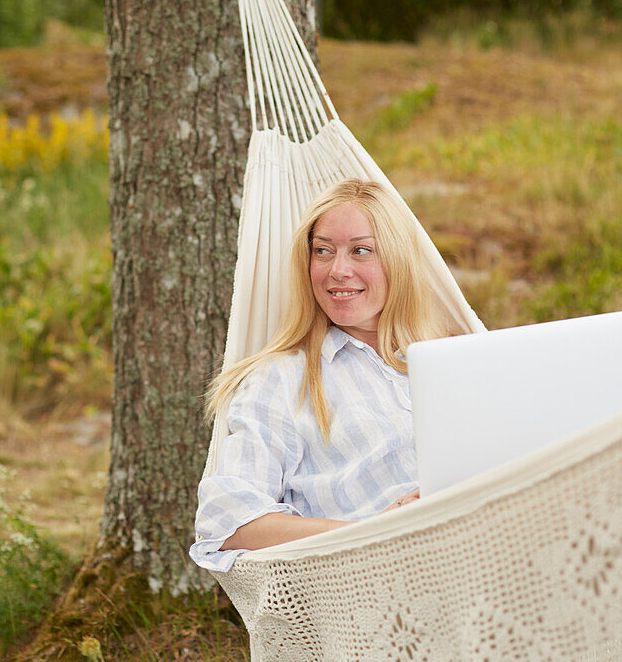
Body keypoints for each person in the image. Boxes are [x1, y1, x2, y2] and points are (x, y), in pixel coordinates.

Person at [191, 179, 462, 572]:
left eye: (361, 250)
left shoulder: (452, 358)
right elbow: (228, 520)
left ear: (398, 259)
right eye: (323, 251)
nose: (338, 270)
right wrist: (372, 532)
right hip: (384, 576)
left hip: (484, 540)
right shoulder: (282, 378)